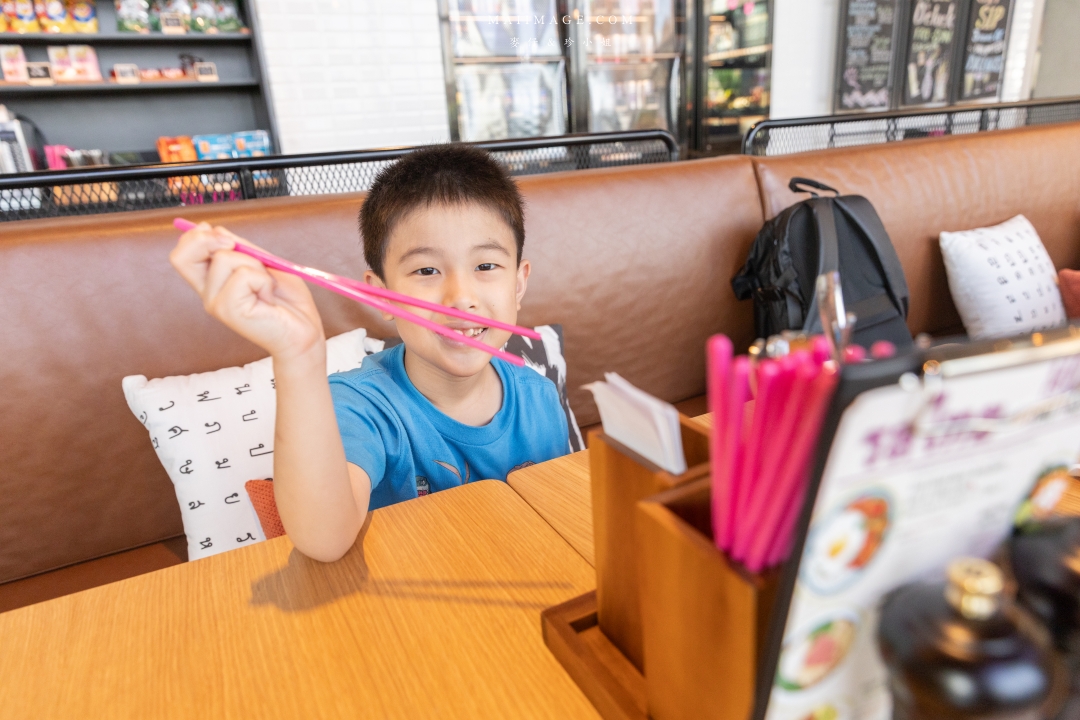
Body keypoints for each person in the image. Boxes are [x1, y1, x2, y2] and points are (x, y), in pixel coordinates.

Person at [169, 145, 570, 562]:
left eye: (486, 266)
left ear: (519, 285)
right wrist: (297, 354)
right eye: (426, 271)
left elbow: (557, 523)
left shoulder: (539, 397)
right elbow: (323, 541)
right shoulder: (358, 405)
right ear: (381, 295)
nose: (461, 298)